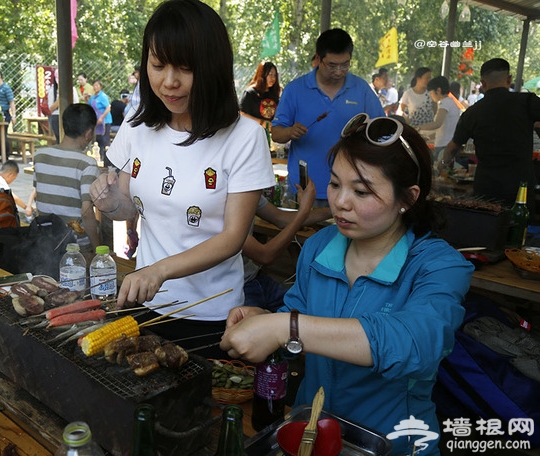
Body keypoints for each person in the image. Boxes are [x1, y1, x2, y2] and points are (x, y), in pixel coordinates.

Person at [221, 113, 474, 455]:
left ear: (408, 198)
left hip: (393, 443)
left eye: (361, 191)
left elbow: (416, 344)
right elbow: (298, 317)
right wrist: (264, 317)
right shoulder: (320, 246)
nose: (340, 202)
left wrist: (285, 326)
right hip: (312, 432)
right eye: (336, 183)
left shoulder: (439, 266)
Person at [89, 0, 275, 357]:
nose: (169, 82)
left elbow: (233, 237)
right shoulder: (137, 126)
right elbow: (127, 207)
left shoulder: (244, 137)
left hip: (209, 314)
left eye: (185, 69)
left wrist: (158, 272)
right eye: (158, 66)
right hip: (142, 302)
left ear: (212, 69)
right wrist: (110, 202)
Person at [271, 28, 385, 206]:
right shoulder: (295, 89)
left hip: (351, 189)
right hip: (307, 189)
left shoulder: (361, 89)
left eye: (345, 64)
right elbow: (276, 134)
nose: (339, 71)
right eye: (332, 65)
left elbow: (381, 129)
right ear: (318, 59)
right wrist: (290, 132)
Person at [441, 58, 540, 212]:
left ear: (483, 83)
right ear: (509, 79)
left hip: (487, 187)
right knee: (518, 230)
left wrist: (443, 164)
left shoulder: (472, 113)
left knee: (486, 229)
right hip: (520, 187)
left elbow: (453, 148)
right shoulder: (527, 102)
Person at [243, 178, 331, 311]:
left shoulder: (246, 193)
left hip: (255, 279)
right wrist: (303, 211)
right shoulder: (217, 206)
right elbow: (265, 255)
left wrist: (334, 210)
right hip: (236, 288)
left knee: (306, 310)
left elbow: (280, 218)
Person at [33, 103, 101, 253]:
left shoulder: (40, 155)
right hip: (76, 245)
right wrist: (97, 249)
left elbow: (40, 197)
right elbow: (87, 211)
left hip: (45, 240)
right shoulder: (87, 164)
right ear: (88, 133)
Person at [416, 76, 462, 162]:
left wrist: (418, 128)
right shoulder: (449, 102)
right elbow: (444, 128)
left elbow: (437, 124)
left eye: (431, 93)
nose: (431, 96)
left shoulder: (445, 102)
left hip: (444, 146)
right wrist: (429, 137)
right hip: (446, 143)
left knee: (441, 172)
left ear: (438, 90)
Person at [239, 61, 282, 128]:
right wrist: (261, 122)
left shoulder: (275, 93)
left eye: (275, 75)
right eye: (270, 74)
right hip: (253, 132)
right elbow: (242, 114)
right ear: (262, 74)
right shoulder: (250, 93)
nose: (273, 78)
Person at [88, 79, 112, 166]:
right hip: (97, 121)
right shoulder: (93, 96)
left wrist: (102, 117)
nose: (95, 87)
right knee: (98, 140)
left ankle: (107, 160)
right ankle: (100, 157)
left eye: (97, 85)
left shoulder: (103, 96)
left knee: (105, 140)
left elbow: (108, 108)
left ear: (100, 86)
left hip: (104, 121)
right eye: (94, 85)